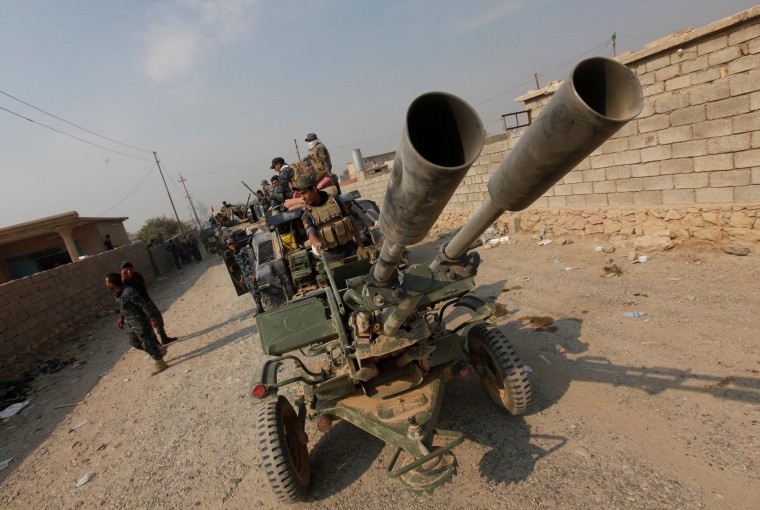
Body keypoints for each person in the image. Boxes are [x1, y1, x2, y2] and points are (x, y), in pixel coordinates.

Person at [105, 273, 169, 375]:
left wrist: (152, 318)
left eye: (107, 282)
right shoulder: (117, 293)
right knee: (134, 342)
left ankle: (160, 363)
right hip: (131, 323)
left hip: (141, 322)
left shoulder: (129, 292)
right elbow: (122, 307)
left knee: (147, 343)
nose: (106, 284)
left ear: (112, 283)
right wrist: (121, 318)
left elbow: (144, 305)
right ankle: (158, 351)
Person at [293, 174, 363, 263]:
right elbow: (311, 233)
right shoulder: (307, 214)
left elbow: (352, 222)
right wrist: (316, 243)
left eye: (304, 193)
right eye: (300, 194)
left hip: (351, 249)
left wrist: (360, 245)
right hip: (330, 256)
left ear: (314, 189)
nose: (302, 197)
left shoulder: (336, 201)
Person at [120, 261, 178, 346]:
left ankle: (163, 337)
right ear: (123, 271)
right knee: (147, 323)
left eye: (131, 269)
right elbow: (121, 298)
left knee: (157, 317)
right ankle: (156, 343)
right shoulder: (123, 281)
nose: (130, 271)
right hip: (136, 307)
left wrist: (146, 297)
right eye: (127, 270)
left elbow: (144, 286)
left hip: (147, 301)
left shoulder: (137, 275)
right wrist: (123, 278)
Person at [226, 238, 264, 314]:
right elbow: (241, 266)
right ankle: (260, 307)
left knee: (255, 291)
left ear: (235, 243)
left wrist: (254, 273)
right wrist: (242, 277)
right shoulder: (235, 254)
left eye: (232, 243)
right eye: (230, 245)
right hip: (245, 275)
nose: (232, 245)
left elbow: (252, 261)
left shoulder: (243, 250)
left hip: (250, 274)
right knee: (252, 292)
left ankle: (260, 308)